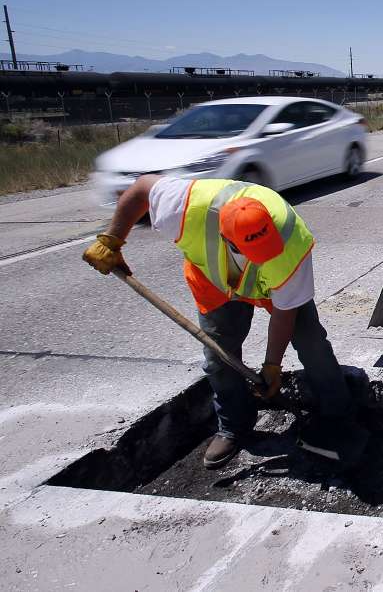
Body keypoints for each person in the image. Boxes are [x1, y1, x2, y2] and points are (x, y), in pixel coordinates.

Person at [82, 175, 357, 469]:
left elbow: (284, 314)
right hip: (214, 284)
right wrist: (112, 240)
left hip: (273, 285)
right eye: (254, 253)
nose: (262, 259)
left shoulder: (290, 240)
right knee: (218, 357)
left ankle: (339, 417)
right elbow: (140, 189)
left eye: (266, 251)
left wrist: (272, 366)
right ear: (226, 238)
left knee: (311, 343)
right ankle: (233, 425)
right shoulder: (185, 208)